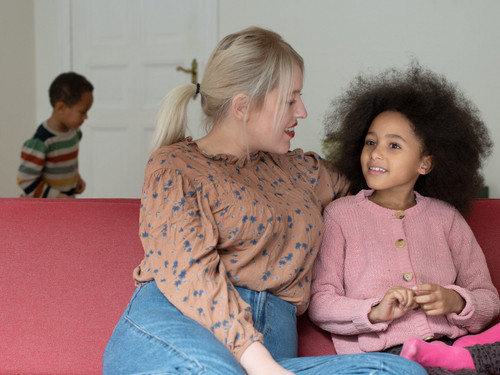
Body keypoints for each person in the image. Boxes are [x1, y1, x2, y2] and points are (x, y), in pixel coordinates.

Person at [102, 27, 426, 375]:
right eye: (290, 100)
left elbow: (380, 184)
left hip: (269, 353)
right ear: (243, 106)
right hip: (180, 332)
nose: (302, 111)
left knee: (399, 371)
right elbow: (191, 272)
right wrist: (258, 363)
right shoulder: (175, 167)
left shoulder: (301, 172)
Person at [308, 63, 500, 374]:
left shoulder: (446, 218)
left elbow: (488, 298)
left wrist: (456, 301)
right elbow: (320, 302)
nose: (376, 153)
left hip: (453, 348)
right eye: (371, 142)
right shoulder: (340, 215)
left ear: (425, 164)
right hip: (389, 356)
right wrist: (372, 312)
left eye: (393, 145)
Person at [17, 72, 93, 198]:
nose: (86, 117)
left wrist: (76, 179)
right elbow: (26, 181)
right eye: (82, 112)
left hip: (66, 203)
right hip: (45, 208)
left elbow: (65, 165)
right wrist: (57, 197)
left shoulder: (74, 134)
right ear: (61, 108)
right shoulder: (41, 142)